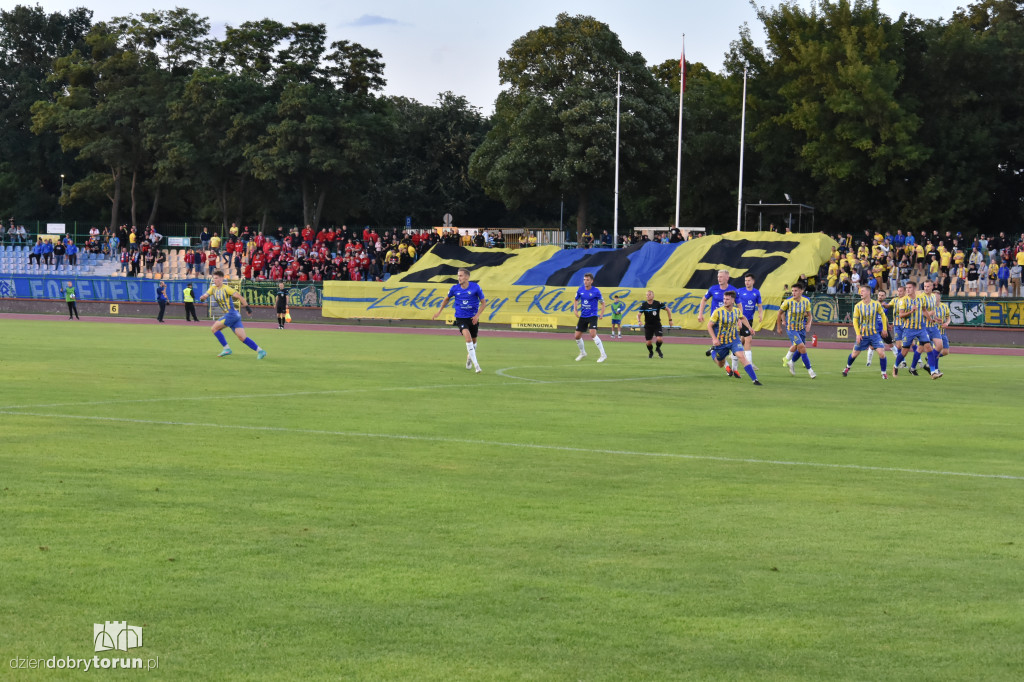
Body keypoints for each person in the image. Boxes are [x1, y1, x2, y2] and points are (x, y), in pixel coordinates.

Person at [198, 269, 267, 359]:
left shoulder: (226, 288)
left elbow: (239, 297)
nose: (215, 280)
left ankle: (226, 349)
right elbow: (205, 296)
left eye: (216, 278)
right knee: (242, 337)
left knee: (214, 328)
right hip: (234, 316)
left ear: (222, 279)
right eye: (214, 278)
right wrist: (202, 298)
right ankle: (261, 351)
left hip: (231, 314)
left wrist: (247, 308)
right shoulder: (212, 288)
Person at [432, 267, 486, 373]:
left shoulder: (475, 287)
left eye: (460, 275)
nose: (459, 278)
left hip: (473, 318)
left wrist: (477, 316)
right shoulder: (454, 288)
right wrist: (439, 311)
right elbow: (446, 299)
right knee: (468, 339)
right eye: (458, 275)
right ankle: (477, 366)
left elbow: (484, 303)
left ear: (467, 277)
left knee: (474, 342)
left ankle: (469, 358)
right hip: (461, 318)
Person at [707, 291, 761, 385]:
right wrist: (714, 339)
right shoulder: (718, 312)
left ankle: (755, 380)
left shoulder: (736, 311)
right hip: (721, 342)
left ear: (733, 300)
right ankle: (713, 352)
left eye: (727, 299)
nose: (725, 301)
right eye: (724, 299)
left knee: (742, 357)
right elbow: (709, 325)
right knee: (721, 364)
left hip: (734, 340)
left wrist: (750, 328)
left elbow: (743, 317)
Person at [894, 280, 939, 378]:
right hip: (909, 329)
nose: (908, 290)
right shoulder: (903, 300)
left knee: (929, 348)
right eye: (907, 288)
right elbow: (901, 315)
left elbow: (924, 310)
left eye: (909, 288)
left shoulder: (920, 299)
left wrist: (930, 319)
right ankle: (895, 366)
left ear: (914, 289)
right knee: (904, 352)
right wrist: (911, 311)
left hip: (921, 329)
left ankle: (933, 372)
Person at [842, 285, 889, 379]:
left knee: (881, 353)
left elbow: (883, 316)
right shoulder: (858, 306)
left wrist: (884, 329)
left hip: (875, 334)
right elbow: (855, 321)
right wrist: (858, 334)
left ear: (868, 292)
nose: (860, 293)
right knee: (854, 354)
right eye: (860, 291)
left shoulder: (876, 304)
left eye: (862, 291)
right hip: (863, 334)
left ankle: (883, 373)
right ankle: (847, 367)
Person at [777, 282, 816, 378]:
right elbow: (779, 313)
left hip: (801, 328)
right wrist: (779, 326)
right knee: (802, 347)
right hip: (791, 329)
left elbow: (809, 315)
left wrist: (809, 324)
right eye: (792, 291)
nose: (793, 293)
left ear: (801, 291)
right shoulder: (788, 301)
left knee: (799, 349)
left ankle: (791, 362)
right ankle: (810, 370)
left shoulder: (806, 301)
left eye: (796, 291)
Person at [571, 272, 607, 362]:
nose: (585, 281)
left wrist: (601, 314)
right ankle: (583, 353)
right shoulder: (580, 290)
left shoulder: (596, 291)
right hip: (583, 316)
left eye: (587, 280)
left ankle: (603, 354)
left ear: (591, 281)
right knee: (577, 336)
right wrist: (575, 310)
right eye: (584, 280)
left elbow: (603, 303)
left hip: (593, 315)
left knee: (592, 334)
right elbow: (576, 300)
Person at [735, 273, 764, 370]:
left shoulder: (756, 292)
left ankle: (734, 353)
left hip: (750, 320)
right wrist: (738, 319)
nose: (747, 282)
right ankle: (749, 363)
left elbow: (759, 305)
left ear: (753, 281)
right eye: (745, 280)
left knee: (743, 339)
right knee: (748, 339)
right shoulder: (739, 291)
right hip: (741, 319)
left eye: (749, 280)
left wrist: (760, 314)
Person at [636, 290, 673, 358]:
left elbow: (668, 309)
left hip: (657, 325)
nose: (647, 296)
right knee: (648, 343)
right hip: (648, 325)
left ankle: (657, 348)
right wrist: (639, 321)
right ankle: (651, 352)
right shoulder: (644, 305)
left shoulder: (658, 303)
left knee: (659, 339)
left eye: (649, 294)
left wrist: (670, 320)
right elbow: (638, 315)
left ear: (653, 296)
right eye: (647, 295)